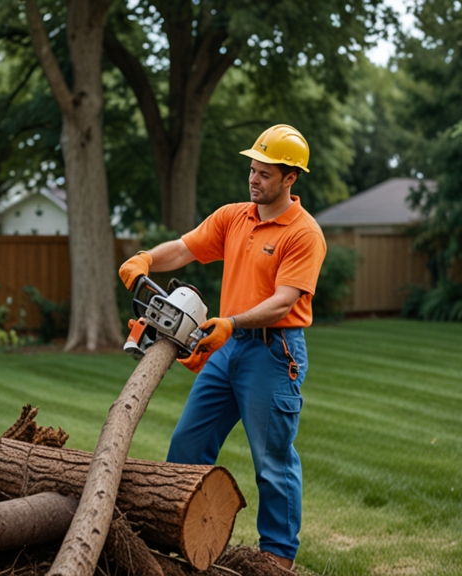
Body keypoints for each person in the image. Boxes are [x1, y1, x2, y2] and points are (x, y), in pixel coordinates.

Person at [118, 125, 326, 572]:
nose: (254, 179)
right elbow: (184, 248)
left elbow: (284, 302)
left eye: (265, 173)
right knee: (187, 445)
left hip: (273, 352)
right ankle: (180, 539)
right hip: (229, 347)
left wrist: (230, 322)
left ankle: (276, 559)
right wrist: (146, 259)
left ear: (290, 179)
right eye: (252, 169)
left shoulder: (304, 234)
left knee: (272, 460)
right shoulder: (236, 216)